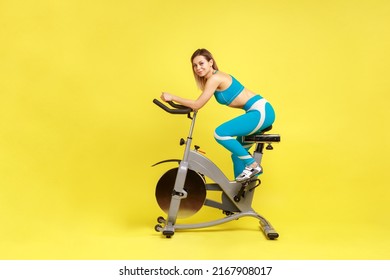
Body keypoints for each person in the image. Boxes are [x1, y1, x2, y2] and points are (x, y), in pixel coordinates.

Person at [160, 48, 275, 182]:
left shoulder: (215, 78)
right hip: (257, 112)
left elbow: (197, 104)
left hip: (261, 111)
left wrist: (172, 97)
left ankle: (253, 165)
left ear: (211, 62)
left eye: (201, 63)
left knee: (220, 133)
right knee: (237, 156)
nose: (198, 68)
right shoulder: (212, 80)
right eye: (195, 65)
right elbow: (196, 103)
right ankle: (240, 194)